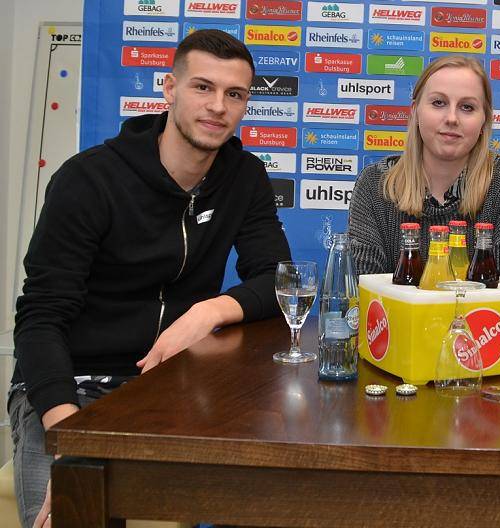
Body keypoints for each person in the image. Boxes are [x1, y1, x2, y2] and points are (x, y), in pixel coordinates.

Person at [10, 30, 291, 527]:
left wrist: (207, 312)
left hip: (169, 387)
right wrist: (69, 441)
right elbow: (40, 319)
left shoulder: (243, 176)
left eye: (235, 94)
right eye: (203, 87)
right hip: (70, 386)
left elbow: (278, 278)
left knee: (264, 496)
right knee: (74, 516)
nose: (218, 106)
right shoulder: (88, 180)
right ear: (169, 88)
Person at [348, 55, 500, 281]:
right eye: (439, 103)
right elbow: (363, 292)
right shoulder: (375, 183)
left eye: (467, 107)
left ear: (484, 121)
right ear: (415, 111)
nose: (452, 118)